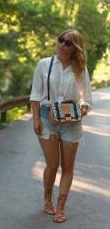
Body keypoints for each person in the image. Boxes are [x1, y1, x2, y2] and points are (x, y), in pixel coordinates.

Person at [30, 29, 93, 223]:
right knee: (52, 164)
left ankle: (61, 207)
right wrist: (36, 120)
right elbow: (35, 94)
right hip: (48, 119)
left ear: (75, 48)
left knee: (67, 167)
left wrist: (82, 110)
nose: (62, 45)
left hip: (71, 122)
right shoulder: (44, 64)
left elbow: (87, 99)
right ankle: (47, 199)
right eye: (61, 40)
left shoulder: (80, 69)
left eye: (67, 43)